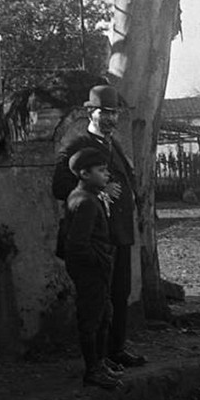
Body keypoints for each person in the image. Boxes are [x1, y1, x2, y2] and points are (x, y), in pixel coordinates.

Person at [53, 85, 146, 368]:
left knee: (119, 293)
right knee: (98, 298)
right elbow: (59, 186)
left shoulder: (113, 143)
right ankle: (99, 359)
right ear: (89, 113)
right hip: (95, 235)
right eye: (104, 113)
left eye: (114, 113)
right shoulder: (77, 146)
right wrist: (99, 191)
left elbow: (127, 181)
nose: (110, 119)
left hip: (120, 231)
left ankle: (116, 349)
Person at [61, 148, 121, 389]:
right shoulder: (84, 201)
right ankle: (92, 370)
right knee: (91, 319)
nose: (106, 175)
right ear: (84, 174)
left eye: (106, 169)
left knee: (103, 315)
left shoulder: (88, 197)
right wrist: (99, 260)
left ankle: (100, 362)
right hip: (91, 271)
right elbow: (77, 244)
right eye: (101, 170)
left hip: (97, 268)